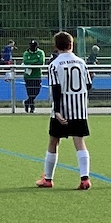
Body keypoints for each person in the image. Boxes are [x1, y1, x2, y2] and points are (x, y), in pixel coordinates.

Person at [36, 31, 93, 190]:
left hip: (62, 110)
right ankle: (85, 178)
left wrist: (58, 111)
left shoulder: (54, 64)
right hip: (79, 109)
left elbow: (56, 88)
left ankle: (48, 179)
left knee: (53, 141)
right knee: (79, 141)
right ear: (71, 45)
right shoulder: (81, 62)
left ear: (56, 46)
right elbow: (88, 85)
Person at [21, 39, 46, 114]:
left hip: (37, 75)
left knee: (36, 92)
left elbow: (41, 62)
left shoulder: (40, 52)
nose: (33, 47)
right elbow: (26, 62)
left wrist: (31, 63)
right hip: (28, 76)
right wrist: (35, 61)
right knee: (30, 92)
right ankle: (32, 108)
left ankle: (27, 102)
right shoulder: (26, 53)